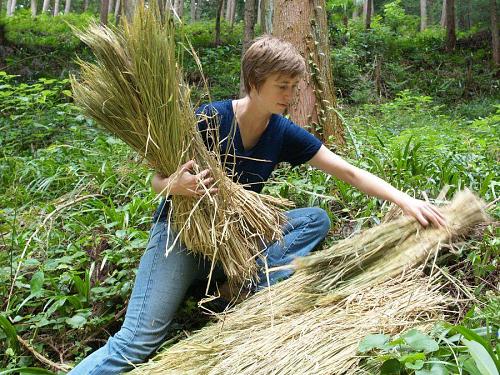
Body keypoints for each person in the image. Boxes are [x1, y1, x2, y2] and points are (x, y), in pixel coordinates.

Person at [69, 35, 445, 374]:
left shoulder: (281, 131)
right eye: (282, 86)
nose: (289, 95)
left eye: (293, 88)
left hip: (233, 243)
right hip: (180, 239)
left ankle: (243, 286)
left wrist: (406, 200)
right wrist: (175, 185)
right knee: (136, 343)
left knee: (313, 219)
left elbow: (347, 171)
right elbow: (156, 181)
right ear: (254, 83)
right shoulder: (208, 119)